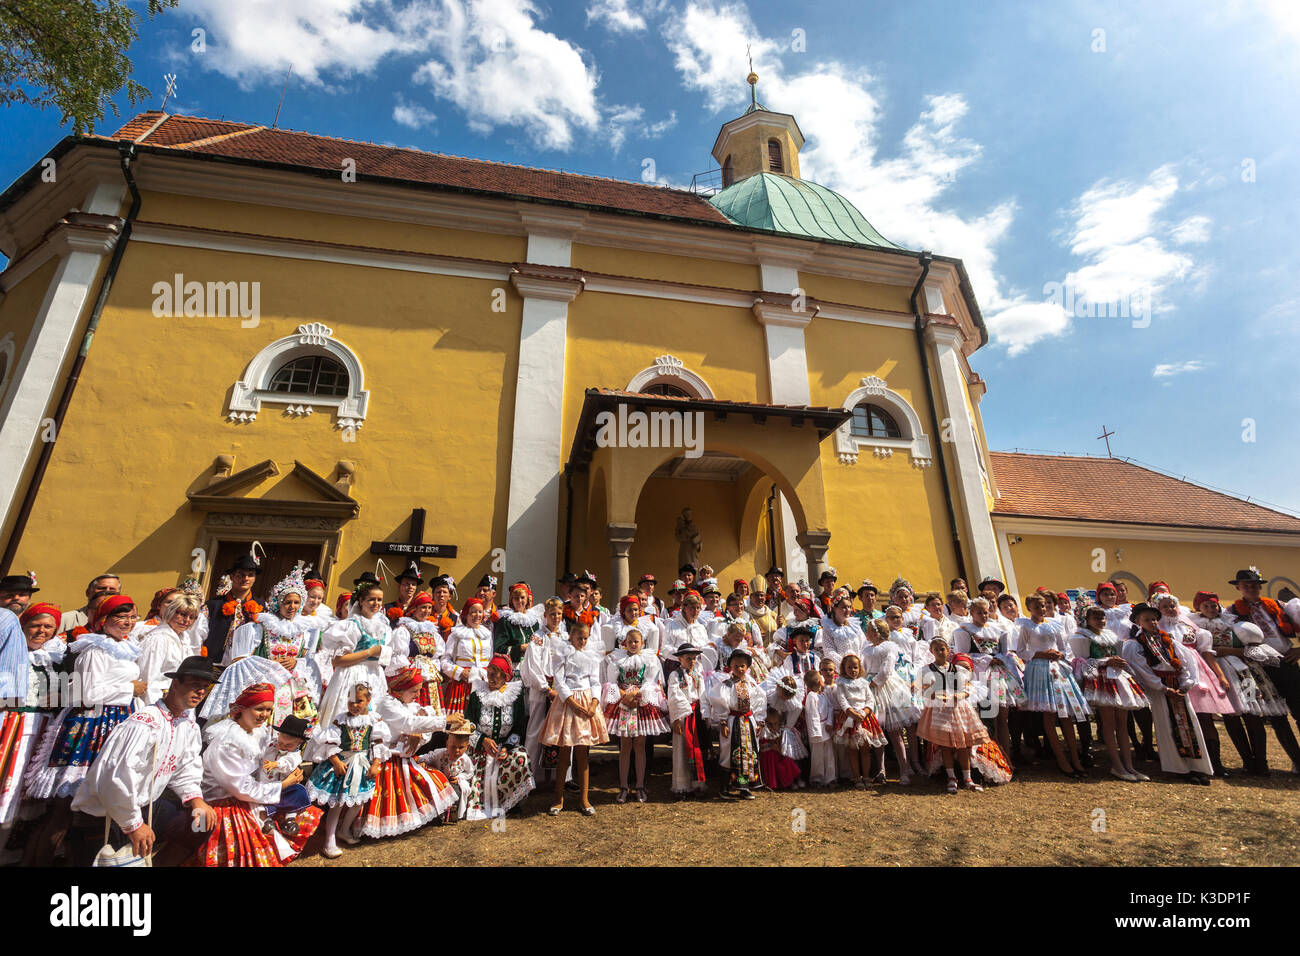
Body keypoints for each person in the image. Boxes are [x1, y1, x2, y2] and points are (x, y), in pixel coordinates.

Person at [68, 656, 219, 866]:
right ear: (175, 684)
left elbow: (186, 768)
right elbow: (115, 778)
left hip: (145, 805)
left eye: (204, 687)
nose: (201, 692)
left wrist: (195, 800)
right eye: (195, 685)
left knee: (202, 823)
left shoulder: (188, 725)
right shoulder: (144, 723)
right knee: (107, 862)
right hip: (108, 813)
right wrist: (134, 824)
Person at [26, 594, 146, 802]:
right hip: (91, 723)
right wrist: (129, 689)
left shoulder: (122, 648)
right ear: (103, 620)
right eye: (122, 617)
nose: (128, 622)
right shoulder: (96, 650)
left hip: (112, 720)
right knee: (73, 796)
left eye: (133, 617)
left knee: (97, 795)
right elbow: (88, 693)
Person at [198, 681, 320, 865]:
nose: (265, 715)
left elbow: (275, 756)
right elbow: (241, 788)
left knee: (299, 801)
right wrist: (283, 784)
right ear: (242, 709)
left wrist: (291, 770)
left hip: (253, 793)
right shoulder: (227, 742)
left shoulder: (259, 732)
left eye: (269, 710)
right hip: (226, 800)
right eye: (259, 709)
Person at [1192, 591, 1300, 775]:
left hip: (1244, 672)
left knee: (1253, 715)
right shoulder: (1197, 628)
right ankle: (1247, 761)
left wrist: (1225, 651)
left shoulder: (1233, 623)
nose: (1211, 609)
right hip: (1218, 673)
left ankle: (1261, 763)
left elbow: (1250, 648)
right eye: (1206, 606)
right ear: (1198, 608)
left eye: (1214, 605)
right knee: (1231, 717)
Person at [1121, 603, 1214, 785]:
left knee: (1189, 724)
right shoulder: (1135, 644)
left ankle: (1196, 765)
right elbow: (1141, 669)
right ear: (1138, 622)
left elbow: (1187, 661)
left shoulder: (1168, 640)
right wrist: (1162, 687)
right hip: (1160, 689)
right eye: (1146, 619)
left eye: (1154, 619)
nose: (1152, 622)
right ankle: (1179, 767)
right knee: (1167, 724)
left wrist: (1186, 684)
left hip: (1177, 686)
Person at [362, 667, 456, 837]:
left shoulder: (404, 703)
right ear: (400, 690)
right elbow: (409, 722)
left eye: (419, 691)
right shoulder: (387, 704)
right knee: (389, 795)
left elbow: (423, 712)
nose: (417, 695)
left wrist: (418, 733)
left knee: (431, 781)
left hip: (403, 758)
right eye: (414, 691)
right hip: (386, 760)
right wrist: (445, 720)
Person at [0, 603, 64, 847]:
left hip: (42, 730)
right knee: (8, 786)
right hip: (13, 726)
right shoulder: (12, 654)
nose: (42, 631)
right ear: (22, 627)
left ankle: (10, 850)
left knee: (25, 795)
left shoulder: (54, 659)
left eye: (48, 626)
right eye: (35, 625)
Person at [308, 681, 390, 858]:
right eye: (351, 701)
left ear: (368, 700)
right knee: (337, 804)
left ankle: (344, 830)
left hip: (361, 766)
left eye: (359, 701)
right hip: (342, 766)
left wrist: (375, 764)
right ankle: (329, 841)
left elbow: (378, 743)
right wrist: (336, 761)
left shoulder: (374, 719)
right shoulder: (341, 719)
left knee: (358, 802)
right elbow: (329, 743)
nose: (354, 705)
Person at [1156, 593, 1233, 777]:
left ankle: (1215, 762)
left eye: (1172, 605)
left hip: (1200, 673)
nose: (1170, 609)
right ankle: (1188, 762)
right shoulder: (1158, 629)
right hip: (1176, 673)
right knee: (1182, 719)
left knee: (1205, 718)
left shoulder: (1188, 625)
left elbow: (1206, 652)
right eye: (1165, 606)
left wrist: (1220, 675)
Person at [309, 580, 393, 750]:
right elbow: (338, 660)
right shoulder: (351, 625)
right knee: (347, 715)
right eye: (371, 599)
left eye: (379, 600)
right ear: (360, 601)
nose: (376, 603)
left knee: (372, 716)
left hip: (374, 676)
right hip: (352, 675)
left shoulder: (383, 627)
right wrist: (369, 652)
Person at [1070, 606, 1149, 782]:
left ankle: (1128, 765)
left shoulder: (1110, 634)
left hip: (1117, 678)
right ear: (1086, 620)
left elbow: (1117, 655)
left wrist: (1118, 662)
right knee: (1108, 723)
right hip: (1100, 680)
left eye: (1102, 617)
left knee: (1122, 723)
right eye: (1096, 618)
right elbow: (1082, 664)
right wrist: (1106, 661)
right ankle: (1117, 765)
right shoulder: (1081, 637)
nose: (1101, 621)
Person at [1015, 594, 1089, 778]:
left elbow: (1064, 647)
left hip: (1057, 669)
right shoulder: (1025, 626)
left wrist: (1059, 655)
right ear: (1029, 608)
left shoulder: (1054, 623)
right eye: (1036, 606)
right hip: (1039, 669)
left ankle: (1074, 756)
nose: (1041, 609)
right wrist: (1040, 654)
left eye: (1043, 605)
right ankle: (1061, 759)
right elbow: (1021, 650)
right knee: (1049, 714)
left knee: (1066, 714)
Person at [542, 621, 608, 816]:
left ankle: (584, 799)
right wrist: (572, 702)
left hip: (587, 701)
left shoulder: (591, 654)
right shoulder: (563, 652)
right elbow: (559, 680)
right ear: (571, 636)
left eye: (585, 638)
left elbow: (595, 680)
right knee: (564, 752)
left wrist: (594, 703)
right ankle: (558, 798)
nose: (582, 641)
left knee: (583, 752)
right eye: (579, 638)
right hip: (568, 703)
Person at [601, 628, 669, 803]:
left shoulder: (649, 659)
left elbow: (649, 680)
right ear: (624, 643)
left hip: (641, 702)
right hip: (623, 703)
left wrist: (637, 695)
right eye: (629, 641)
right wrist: (625, 695)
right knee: (625, 746)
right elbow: (612, 681)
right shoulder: (617, 659)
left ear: (642, 643)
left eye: (636, 642)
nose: (632, 645)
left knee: (640, 745)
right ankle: (623, 786)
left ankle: (639, 785)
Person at [463, 655, 535, 819]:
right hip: (480, 751)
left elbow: (518, 727)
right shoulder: (477, 695)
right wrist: (483, 741)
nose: (491, 677)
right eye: (490, 672)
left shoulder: (514, 697)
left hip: (504, 750)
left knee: (521, 757)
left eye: (497, 673)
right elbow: (469, 725)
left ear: (505, 676)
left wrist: (507, 748)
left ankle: (510, 801)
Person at [954, 597, 1024, 764]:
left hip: (999, 676)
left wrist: (1000, 659)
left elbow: (1006, 653)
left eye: (986, 612)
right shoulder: (963, 631)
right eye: (979, 612)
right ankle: (988, 758)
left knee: (1002, 718)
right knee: (987, 717)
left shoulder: (997, 629)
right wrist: (986, 660)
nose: (984, 615)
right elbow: (963, 657)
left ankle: (1006, 757)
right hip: (980, 677)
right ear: (971, 613)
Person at [253, 567, 324, 729]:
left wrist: (296, 661)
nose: (292, 606)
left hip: (293, 686)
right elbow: (251, 657)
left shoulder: (304, 629)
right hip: (267, 683)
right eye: (288, 602)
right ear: (279, 603)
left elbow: (307, 660)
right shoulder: (264, 626)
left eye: (296, 602)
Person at [917, 640, 990, 794]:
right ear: (931, 651)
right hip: (940, 710)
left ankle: (967, 777)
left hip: (958, 709)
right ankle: (951, 777)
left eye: (942, 649)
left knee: (963, 744)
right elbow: (922, 691)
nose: (939, 652)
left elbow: (967, 690)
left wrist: (959, 695)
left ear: (948, 650)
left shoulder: (957, 670)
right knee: (946, 745)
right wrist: (935, 694)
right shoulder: (926, 670)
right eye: (936, 649)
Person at [865, 619, 922, 784]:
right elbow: (865, 666)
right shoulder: (867, 649)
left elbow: (887, 668)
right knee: (877, 730)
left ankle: (904, 769)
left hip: (886, 687)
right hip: (871, 687)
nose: (866, 634)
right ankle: (881, 769)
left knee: (895, 731)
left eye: (868, 630)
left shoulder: (889, 647)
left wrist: (874, 682)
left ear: (875, 632)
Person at [709, 646, 766, 800]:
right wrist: (723, 722)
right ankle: (724, 787)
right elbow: (720, 702)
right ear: (731, 667)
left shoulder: (752, 683)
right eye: (736, 666)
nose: (740, 669)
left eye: (743, 666)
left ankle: (743, 786)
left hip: (748, 722)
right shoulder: (726, 684)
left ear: (747, 667)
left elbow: (760, 701)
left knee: (747, 755)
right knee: (729, 753)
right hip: (733, 722)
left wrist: (760, 721)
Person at [521, 599, 566, 778]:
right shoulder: (538, 638)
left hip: (560, 690)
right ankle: (529, 776)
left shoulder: (565, 637)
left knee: (562, 732)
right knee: (535, 730)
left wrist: (562, 688)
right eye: (552, 614)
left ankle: (561, 776)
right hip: (542, 690)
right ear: (545, 616)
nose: (556, 617)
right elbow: (533, 665)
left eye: (559, 614)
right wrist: (546, 689)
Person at [136, 593, 202, 704]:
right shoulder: (157, 639)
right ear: (170, 612)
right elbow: (148, 679)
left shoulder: (184, 639)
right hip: (157, 702)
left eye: (192, 617)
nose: (186, 620)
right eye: (183, 614)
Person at [833, 653, 887, 788]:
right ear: (844, 668)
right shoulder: (841, 683)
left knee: (865, 749)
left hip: (864, 718)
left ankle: (867, 776)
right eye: (849, 667)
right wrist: (851, 712)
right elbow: (842, 700)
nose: (853, 670)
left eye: (855, 667)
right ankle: (857, 777)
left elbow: (870, 699)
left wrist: (865, 712)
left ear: (859, 668)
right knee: (852, 749)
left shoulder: (864, 683)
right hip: (850, 717)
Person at [195, 554, 262, 662]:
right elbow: (198, 635)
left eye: (250, 575)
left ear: (254, 578)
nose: (246, 579)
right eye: (241, 575)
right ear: (231, 577)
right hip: (215, 664)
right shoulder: (212, 605)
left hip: (248, 665)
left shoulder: (262, 607)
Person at [257, 715, 313, 837]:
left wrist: (276, 764)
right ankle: (266, 821)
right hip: (267, 783)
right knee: (262, 802)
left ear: (299, 743)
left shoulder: (295, 755)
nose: (282, 746)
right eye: (281, 742)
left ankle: (290, 819)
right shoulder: (272, 745)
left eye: (288, 745)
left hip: (285, 785)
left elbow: (287, 763)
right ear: (278, 735)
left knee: (296, 794)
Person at [389, 591, 444, 709]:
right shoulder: (404, 629)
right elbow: (398, 654)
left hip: (430, 680)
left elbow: (436, 656)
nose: (427, 611)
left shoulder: (432, 631)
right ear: (414, 608)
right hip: (411, 678)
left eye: (429, 608)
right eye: (423, 607)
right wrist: (409, 676)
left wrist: (433, 671)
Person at [666, 643, 708, 799]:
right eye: (688, 658)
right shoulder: (675, 675)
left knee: (696, 749)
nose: (691, 661)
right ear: (680, 659)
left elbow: (702, 695)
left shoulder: (697, 675)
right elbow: (673, 696)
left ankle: (697, 784)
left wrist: (705, 714)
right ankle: (681, 786)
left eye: (694, 658)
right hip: (683, 717)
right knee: (681, 750)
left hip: (695, 716)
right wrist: (676, 718)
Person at [440, 598, 494, 716]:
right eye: (473, 612)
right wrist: (459, 672)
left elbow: (490, 660)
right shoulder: (456, 634)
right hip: (462, 684)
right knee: (460, 722)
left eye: (480, 612)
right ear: (466, 614)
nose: (477, 615)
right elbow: (445, 660)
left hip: (483, 682)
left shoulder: (487, 634)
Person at [421, 716, 476, 822]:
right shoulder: (440, 754)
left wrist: (459, 778)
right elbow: (427, 757)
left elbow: (469, 772)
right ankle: (436, 815)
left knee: (456, 792)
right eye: (453, 747)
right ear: (447, 744)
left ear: (467, 747)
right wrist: (423, 762)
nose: (456, 751)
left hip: (454, 783)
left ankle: (453, 815)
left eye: (461, 748)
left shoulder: (465, 759)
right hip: (440, 783)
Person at [760, 674, 806, 791]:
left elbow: (796, 707)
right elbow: (760, 707)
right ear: (778, 689)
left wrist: (786, 728)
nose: (785, 699)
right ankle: (780, 780)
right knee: (773, 755)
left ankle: (794, 778)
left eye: (788, 698)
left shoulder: (794, 702)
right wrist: (766, 725)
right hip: (767, 722)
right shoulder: (767, 692)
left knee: (787, 753)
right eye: (783, 696)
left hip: (782, 724)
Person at [494, 582, 542, 665]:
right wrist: (520, 648)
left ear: (527, 599)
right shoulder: (505, 621)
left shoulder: (534, 621)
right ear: (511, 601)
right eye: (516, 598)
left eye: (522, 597)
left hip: (534, 665)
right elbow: (498, 649)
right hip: (514, 667)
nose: (519, 601)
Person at [802, 669, 835, 788]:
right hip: (817, 731)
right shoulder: (811, 696)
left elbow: (830, 708)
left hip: (826, 727)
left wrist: (830, 723)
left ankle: (830, 777)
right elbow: (812, 714)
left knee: (829, 754)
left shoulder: (823, 694)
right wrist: (816, 732)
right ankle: (817, 778)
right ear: (818, 682)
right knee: (817, 756)